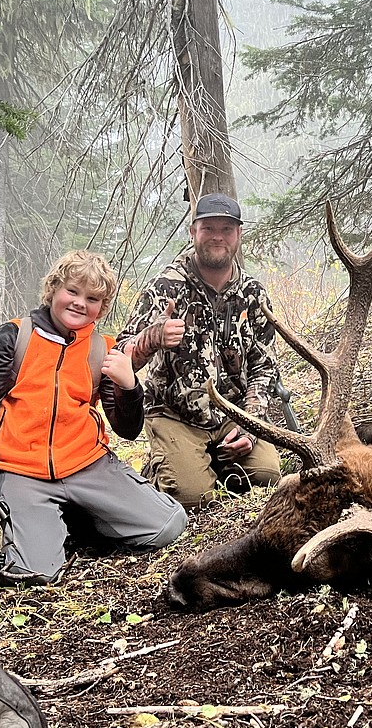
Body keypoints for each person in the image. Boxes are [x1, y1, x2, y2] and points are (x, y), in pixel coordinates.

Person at [0, 250, 187, 583]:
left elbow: (127, 429)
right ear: (53, 290)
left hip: (87, 465)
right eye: (72, 291)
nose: (80, 303)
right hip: (21, 471)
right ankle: (48, 524)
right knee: (31, 571)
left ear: (102, 307)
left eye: (92, 298)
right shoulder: (13, 338)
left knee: (167, 524)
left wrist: (129, 385)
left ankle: (75, 517)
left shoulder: (102, 349)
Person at [117, 193, 282, 508]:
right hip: (175, 415)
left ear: (238, 235)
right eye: (208, 228)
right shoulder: (164, 287)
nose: (217, 236)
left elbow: (265, 369)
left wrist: (251, 425)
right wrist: (152, 338)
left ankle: (208, 463)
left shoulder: (253, 294)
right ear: (193, 232)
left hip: (234, 413)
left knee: (266, 476)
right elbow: (121, 355)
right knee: (193, 498)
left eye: (226, 228)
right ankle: (161, 468)